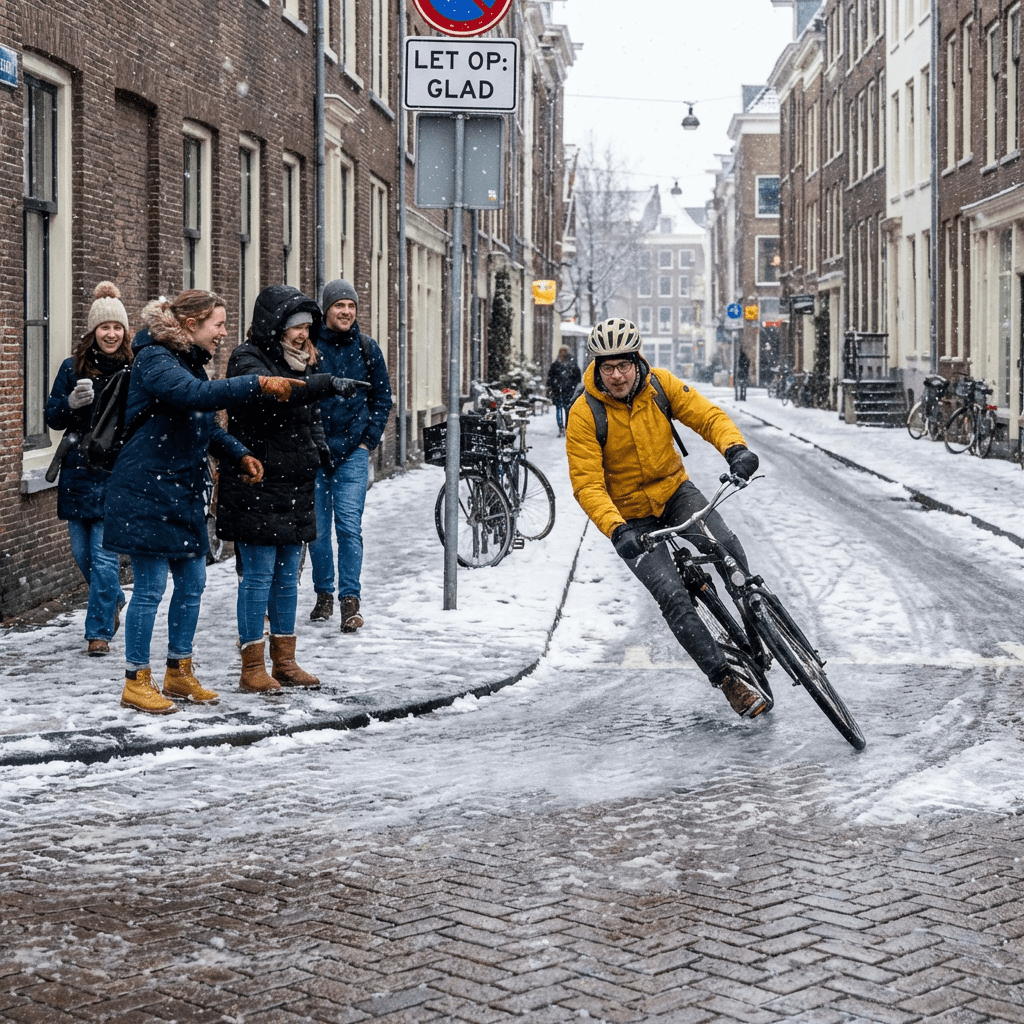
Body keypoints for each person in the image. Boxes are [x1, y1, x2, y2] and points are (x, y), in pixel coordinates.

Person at [103, 290, 302, 715]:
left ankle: (178, 670)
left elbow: (205, 425)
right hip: (146, 490)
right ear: (192, 324)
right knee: (151, 588)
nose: (224, 332)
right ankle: (136, 679)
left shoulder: (188, 361)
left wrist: (238, 452)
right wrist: (258, 383)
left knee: (193, 583)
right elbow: (195, 396)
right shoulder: (155, 358)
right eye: (218, 324)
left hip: (180, 490)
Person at [565, 318, 766, 719]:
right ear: (597, 368)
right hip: (630, 520)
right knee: (673, 597)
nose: (618, 375)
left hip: (675, 492)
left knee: (726, 546)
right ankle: (728, 681)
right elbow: (587, 483)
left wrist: (735, 449)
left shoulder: (661, 386)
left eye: (624, 364)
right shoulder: (584, 414)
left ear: (638, 361)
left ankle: (756, 624)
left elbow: (707, 416)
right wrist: (616, 529)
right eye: (608, 367)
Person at [216, 285, 367, 693]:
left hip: (297, 482)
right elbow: (270, 395)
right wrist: (325, 383)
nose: (303, 335)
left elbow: (311, 415)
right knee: (258, 576)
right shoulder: (247, 359)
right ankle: (252, 666)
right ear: (274, 327)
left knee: (287, 577)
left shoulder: (302, 363)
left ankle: (285, 660)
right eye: (295, 327)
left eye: (306, 328)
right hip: (258, 481)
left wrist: (318, 448)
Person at [44, 282, 133, 657]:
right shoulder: (72, 367)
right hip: (78, 469)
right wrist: (71, 402)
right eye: (104, 327)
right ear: (93, 331)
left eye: (117, 328)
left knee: (103, 555)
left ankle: (98, 632)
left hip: (114, 470)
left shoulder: (135, 368)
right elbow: (52, 417)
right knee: (81, 552)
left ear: (124, 332)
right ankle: (112, 600)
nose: (110, 334)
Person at [308, 279, 392, 632]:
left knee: (348, 527)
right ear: (326, 309)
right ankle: (324, 593)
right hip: (315, 452)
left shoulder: (367, 348)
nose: (345, 311)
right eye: (339, 305)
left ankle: (349, 600)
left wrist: (366, 441)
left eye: (351, 306)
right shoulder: (309, 347)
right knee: (316, 531)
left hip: (353, 454)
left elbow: (382, 398)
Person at [547, 346, 582, 437]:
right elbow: (550, 377)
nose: (562, 354)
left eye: (564, 352)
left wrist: (572, 386)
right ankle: (561, 427)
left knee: (567, 410)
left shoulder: (571, 365)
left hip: (568, 391)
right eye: (561, 352)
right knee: (559, 409)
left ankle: (566, 427)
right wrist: (552, 386)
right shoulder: (556, 365)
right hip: (558, 391)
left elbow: (577, 377)